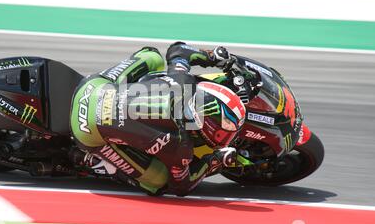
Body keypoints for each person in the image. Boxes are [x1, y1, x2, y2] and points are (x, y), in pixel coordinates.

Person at [70, 42, 246, 196]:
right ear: (204, 124)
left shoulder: (183, 80)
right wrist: (214, 161)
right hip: (86, 131)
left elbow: (179, 50)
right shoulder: (182, 147)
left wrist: (212, 57)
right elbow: (182, 187)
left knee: (153, 55)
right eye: (222, 135)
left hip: (91, 87)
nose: (225, 139)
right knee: (159, 182)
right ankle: (93, 162)